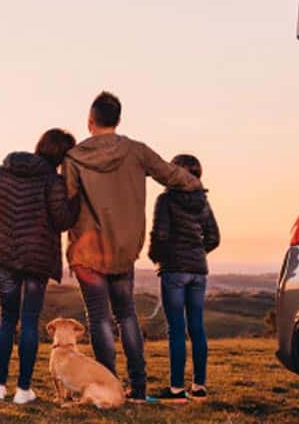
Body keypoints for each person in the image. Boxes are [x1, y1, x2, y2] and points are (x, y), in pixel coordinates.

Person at [62, 92, 202, 403]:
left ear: (90, 121)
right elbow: (171, 173)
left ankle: (109, 385)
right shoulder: (136, 151)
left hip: (88, 253)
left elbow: (66, 204)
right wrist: (195, 185)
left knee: (98, 318)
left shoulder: (73, 158)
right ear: (118, 120)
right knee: (126, 315)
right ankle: (138, 389)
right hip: (125, 250)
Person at [0, 128, 79, 404]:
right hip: (37, 259)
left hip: (6, 257)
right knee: (30, 320)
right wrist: (76, 200)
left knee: (7, 319)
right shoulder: (52, 181)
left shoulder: (2, 172)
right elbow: (61, 220)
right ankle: (23, 390)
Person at [148, 154, 220, 403]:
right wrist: (196, 254)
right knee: (197, 328)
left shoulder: (166, 200)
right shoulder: (204, 202)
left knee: (176, 329)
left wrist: (156, 257)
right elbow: (213, 238)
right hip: (198, 270)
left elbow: (160, 234)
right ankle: (199, 386)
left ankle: (177, 388)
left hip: (174, 270)